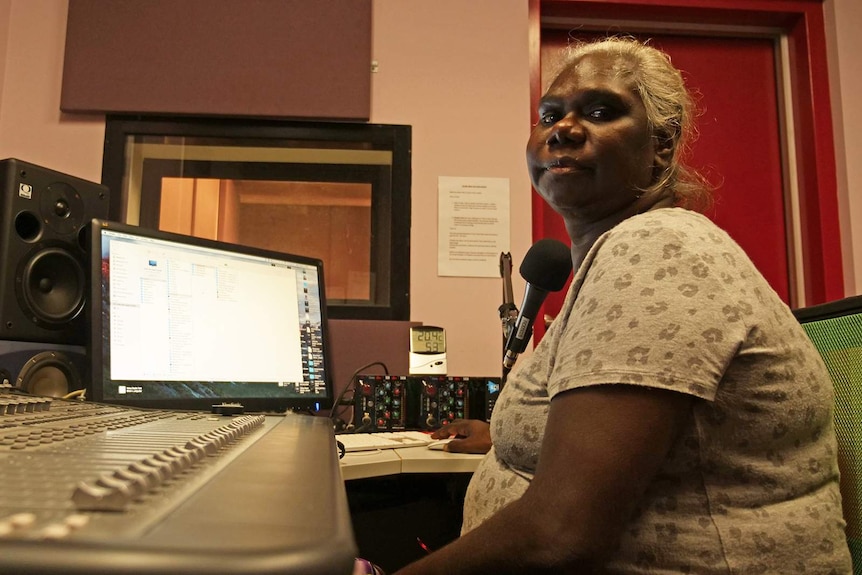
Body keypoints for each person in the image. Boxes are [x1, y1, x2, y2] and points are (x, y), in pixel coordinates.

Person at [394, 36, 853, 574]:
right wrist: (507, 437)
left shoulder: (658, 249)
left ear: (661, 142)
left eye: (599, 111)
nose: (562, 129)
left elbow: (562, 533)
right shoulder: (617, 255)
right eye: (549, 115)